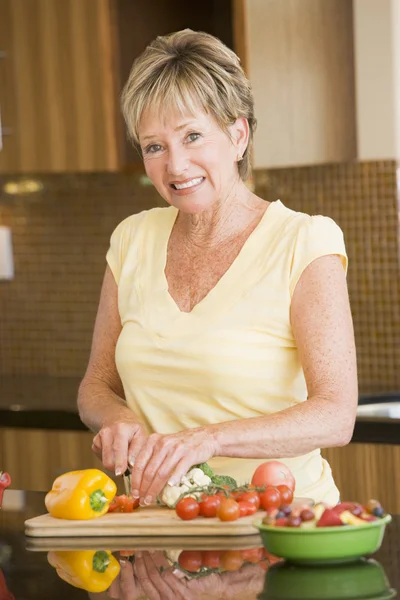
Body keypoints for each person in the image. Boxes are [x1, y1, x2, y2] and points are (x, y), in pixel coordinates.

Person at [77, 29, 358, 507]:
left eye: (192, 136)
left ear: (237, 134)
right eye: (154, 146)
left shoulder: (304, 240)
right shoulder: (131, 240)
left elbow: (335, 414)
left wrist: (207, 439)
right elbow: (97, 386)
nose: (176, 165)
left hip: (278, 526)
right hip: (160, 527)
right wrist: (115, 417)